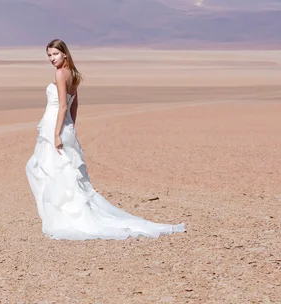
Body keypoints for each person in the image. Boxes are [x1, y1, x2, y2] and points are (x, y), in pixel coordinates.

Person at [25, 39, 185, 240]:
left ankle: (65, 218)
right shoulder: (73, 75)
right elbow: (75, 106)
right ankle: (64, 215)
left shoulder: (60, 74)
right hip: (63, 126)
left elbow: (64, 106)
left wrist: (57, 134)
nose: (52, 59)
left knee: (54, 171)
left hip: (54, 128)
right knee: (61, 172)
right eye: (49, 55)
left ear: (65, 54)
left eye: (55, 54)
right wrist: (70, 127)